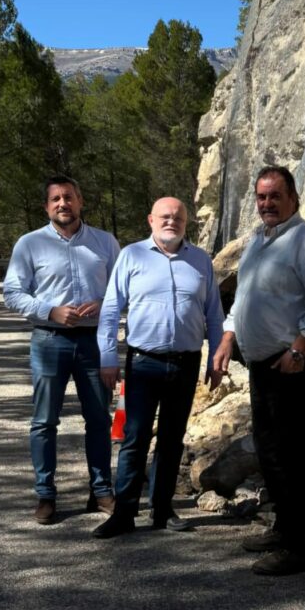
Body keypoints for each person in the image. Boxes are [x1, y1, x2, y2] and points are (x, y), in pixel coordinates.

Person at [211, 165, 305, 575]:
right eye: (261, 197)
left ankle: (300, 548)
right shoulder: (258, 241)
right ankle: (284, 529)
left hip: (294, 365)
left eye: (274, 196)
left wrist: (299, 349)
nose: (266, 203)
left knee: (295, 454)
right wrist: (229, 336)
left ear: (293, 198)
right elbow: (244, 298)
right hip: (263, 366)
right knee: (271, 451)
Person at [93, 197, 224, 537]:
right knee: (134, 438)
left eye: (178, 217)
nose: (171, 222)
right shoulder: (132, 256)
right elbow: (110, 311)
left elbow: (213, 313)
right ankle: (123, 513)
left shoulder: (200, 261)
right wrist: (108, 358)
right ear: (150, 220)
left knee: (171, 439)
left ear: (186, 222)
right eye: (164, 216)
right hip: (142, 364)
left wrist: (215, 360)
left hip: (185, 364)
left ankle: (162, 509)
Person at [3, 175, 120, 524]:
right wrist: (49, 311)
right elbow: (12, 293)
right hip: (48, 340)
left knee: (99, 419)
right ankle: (46, 495)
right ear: (46, 206)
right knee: (44, 422)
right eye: (55, 199)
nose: (62, 204)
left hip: (94, 341)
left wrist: (103, 303)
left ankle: (101, 491)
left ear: (81, 201)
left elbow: (122, 288)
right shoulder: (29, 244)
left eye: (68, 197)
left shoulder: (105, 242)